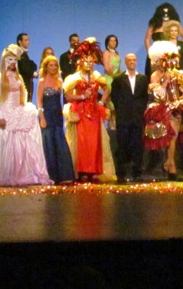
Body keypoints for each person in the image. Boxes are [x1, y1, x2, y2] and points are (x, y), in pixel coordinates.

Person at [0, 44, 52, 186]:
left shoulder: (17, 77)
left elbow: (23, 93)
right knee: (7, 140)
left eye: (14, 59)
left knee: (23, 139)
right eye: (9, 59)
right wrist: (1, 116)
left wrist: (23, 106)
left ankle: (25, 172)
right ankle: (6, 173)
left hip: (19, 109)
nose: (12, 62)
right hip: (5, 111)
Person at [63, 39, 115, 183]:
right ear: (80, 61)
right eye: (86, 61)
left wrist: (101, 101)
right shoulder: (75, 77)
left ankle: (93, 172)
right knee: (82, 143)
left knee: (94, 143)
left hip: (94, 113)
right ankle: (82, 172)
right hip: (80, 113)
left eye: (91, 61)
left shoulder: (96, 76)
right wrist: (81, 96)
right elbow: (67, 95)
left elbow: (107, 88)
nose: (89, 64)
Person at [144, 41, 183, 179]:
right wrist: (165, 81)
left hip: (178, 106)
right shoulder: (155, 75)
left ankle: (171, 163)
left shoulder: (178, 74)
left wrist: (182, 93)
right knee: (171, 136)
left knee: (177, 135)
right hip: (163, 108)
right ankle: (170, 165)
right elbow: (157, 95)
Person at [110, 53, 149, 182]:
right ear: (125, 62)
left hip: (138, 118)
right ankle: (121, 174)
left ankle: (137, 173)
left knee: (137, 146)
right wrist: (121, 110)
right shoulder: (118, 79)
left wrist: (140, 110)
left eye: (134, 60)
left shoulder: (143, 79)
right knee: (122, 146)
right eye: (129, 60)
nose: (132, 62)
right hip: (123, 118)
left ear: (136, 62)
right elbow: (114, 97)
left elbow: (145, 97)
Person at [37, 55, 75, 184]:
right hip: (47, 115)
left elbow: (62, 99)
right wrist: (42, 117)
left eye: (55, 65)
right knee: (49, 144)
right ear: (46, 67)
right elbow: (39, 101)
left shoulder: (59, 81)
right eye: (50, 65)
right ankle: (52, 176)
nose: (53, 68)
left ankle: (64, 175)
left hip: (57, 115)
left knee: (60, 144)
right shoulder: (42, 81)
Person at [144, 3, 183, 76]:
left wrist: (178, 46)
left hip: (170, 56)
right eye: (163, 13)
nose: (166, 15)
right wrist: (150, 53)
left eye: (168, 13)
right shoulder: (154, 26)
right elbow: (147, 40)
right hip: (155, 55)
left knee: (170, 75)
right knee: (155, 75)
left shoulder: (175, 25)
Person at [16, 32, 37, 101]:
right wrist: (32, 72)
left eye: (28, 40)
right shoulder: (19, 53)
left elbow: (33, 65)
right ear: (20, 42)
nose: (28, 42)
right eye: (26, 40)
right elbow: (25, 68)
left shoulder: (24, 53)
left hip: (26, 83)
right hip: (23, 83)